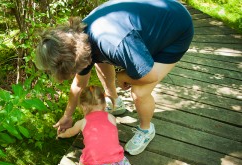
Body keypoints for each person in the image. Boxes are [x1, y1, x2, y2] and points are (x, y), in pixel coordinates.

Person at [35, 0, 194, 155]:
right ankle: (115, 101)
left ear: (74, 59)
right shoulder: (79, 40)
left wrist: (123, 75)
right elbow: (79, 84)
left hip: (175, 29)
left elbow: (150, 76)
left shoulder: (114, 42)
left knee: (139, 92)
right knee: (100, 60)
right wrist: (67, 116)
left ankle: (146, 130)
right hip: (146, 28)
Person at [57, 85, 139, 165]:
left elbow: (70, 133)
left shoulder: (82, 122)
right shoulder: (111, 118)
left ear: (82, 106)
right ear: (104, 104)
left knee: (83, 158)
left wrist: (62, 135)